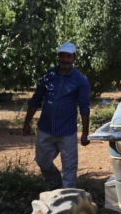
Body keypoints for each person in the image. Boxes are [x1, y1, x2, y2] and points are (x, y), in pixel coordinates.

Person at [23, 42, 90, 190]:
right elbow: (36, 100)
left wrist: (85, 133)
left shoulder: (80, 80)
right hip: (46, 128)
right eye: (62, 56)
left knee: (69, 169)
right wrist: (26, 123)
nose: (65, 59)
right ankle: (54, 185)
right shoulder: (48, 76)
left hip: (67, 131)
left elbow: (84, 107)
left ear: (74, 58)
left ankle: (68, 200)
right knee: (42, 161)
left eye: (68, 56)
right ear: (58, 57)